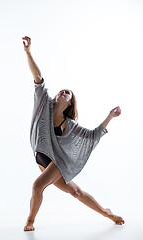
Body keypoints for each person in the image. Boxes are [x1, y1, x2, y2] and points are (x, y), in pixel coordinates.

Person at [22, 36, 125, 231]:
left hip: (57, 162)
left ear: (70, 102)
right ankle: (107, 212)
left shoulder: (70, 125)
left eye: (67, 92)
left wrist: (110, 116)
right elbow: (38, 78)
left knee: (37, 187)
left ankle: (30, 221)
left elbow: (94, 135)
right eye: (61, 91)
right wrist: (28, 52)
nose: (62, 92)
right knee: (76, 192)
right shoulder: (43, 103)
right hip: (41, 159)